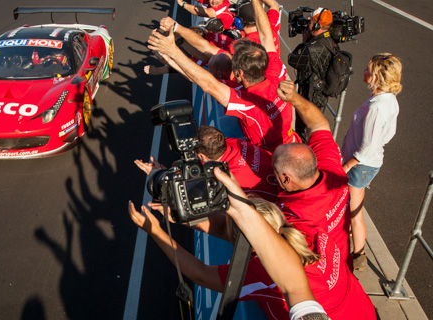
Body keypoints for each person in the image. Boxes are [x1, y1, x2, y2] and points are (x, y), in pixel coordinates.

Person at [128, 174, 329, 320]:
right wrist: (185, 216)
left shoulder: (263, 271)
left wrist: (155, 231)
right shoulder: (300, 229)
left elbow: (201, 274)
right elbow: (232, 231)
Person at [150, 0, 298, 152]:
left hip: (273, 155)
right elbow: (267, 36)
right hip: (291, 140)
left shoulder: (246, 101)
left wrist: (173, 50)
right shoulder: (273, 70)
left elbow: (207, 82)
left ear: (239, 74)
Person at [274, 80, 352, 269]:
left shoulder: (295, 218)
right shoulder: (332, 170)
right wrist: (294, 98)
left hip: (317, 285)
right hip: (342, 266)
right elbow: (319, 125)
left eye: (275, 172)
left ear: (286, 179)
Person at [340, 54, 402, 271]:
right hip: (368, 164)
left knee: (353, 212)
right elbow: (388, 134)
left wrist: (347, 165)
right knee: (355, 208)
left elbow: (367, 147)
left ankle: (357, 255)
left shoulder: (376, 106)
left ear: (377, 76)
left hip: (360, 166)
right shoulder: (389, 100)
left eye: (368, 70)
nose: (364, 72)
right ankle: (358, 253)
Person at [135, 126, 279, 201]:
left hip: (274, 202)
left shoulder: (227, 177)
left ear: (202, 156)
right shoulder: (233, 142)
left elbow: (187, 191)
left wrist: (158, 174)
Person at [287, 8, 338, 143]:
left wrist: (305, 42)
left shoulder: (312, 47)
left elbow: (292, 58)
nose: (308, 25)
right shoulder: (330, 41)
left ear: (317, 25)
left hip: (309, 95)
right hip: (319, 93)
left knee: (305, 132)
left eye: (311, 22)